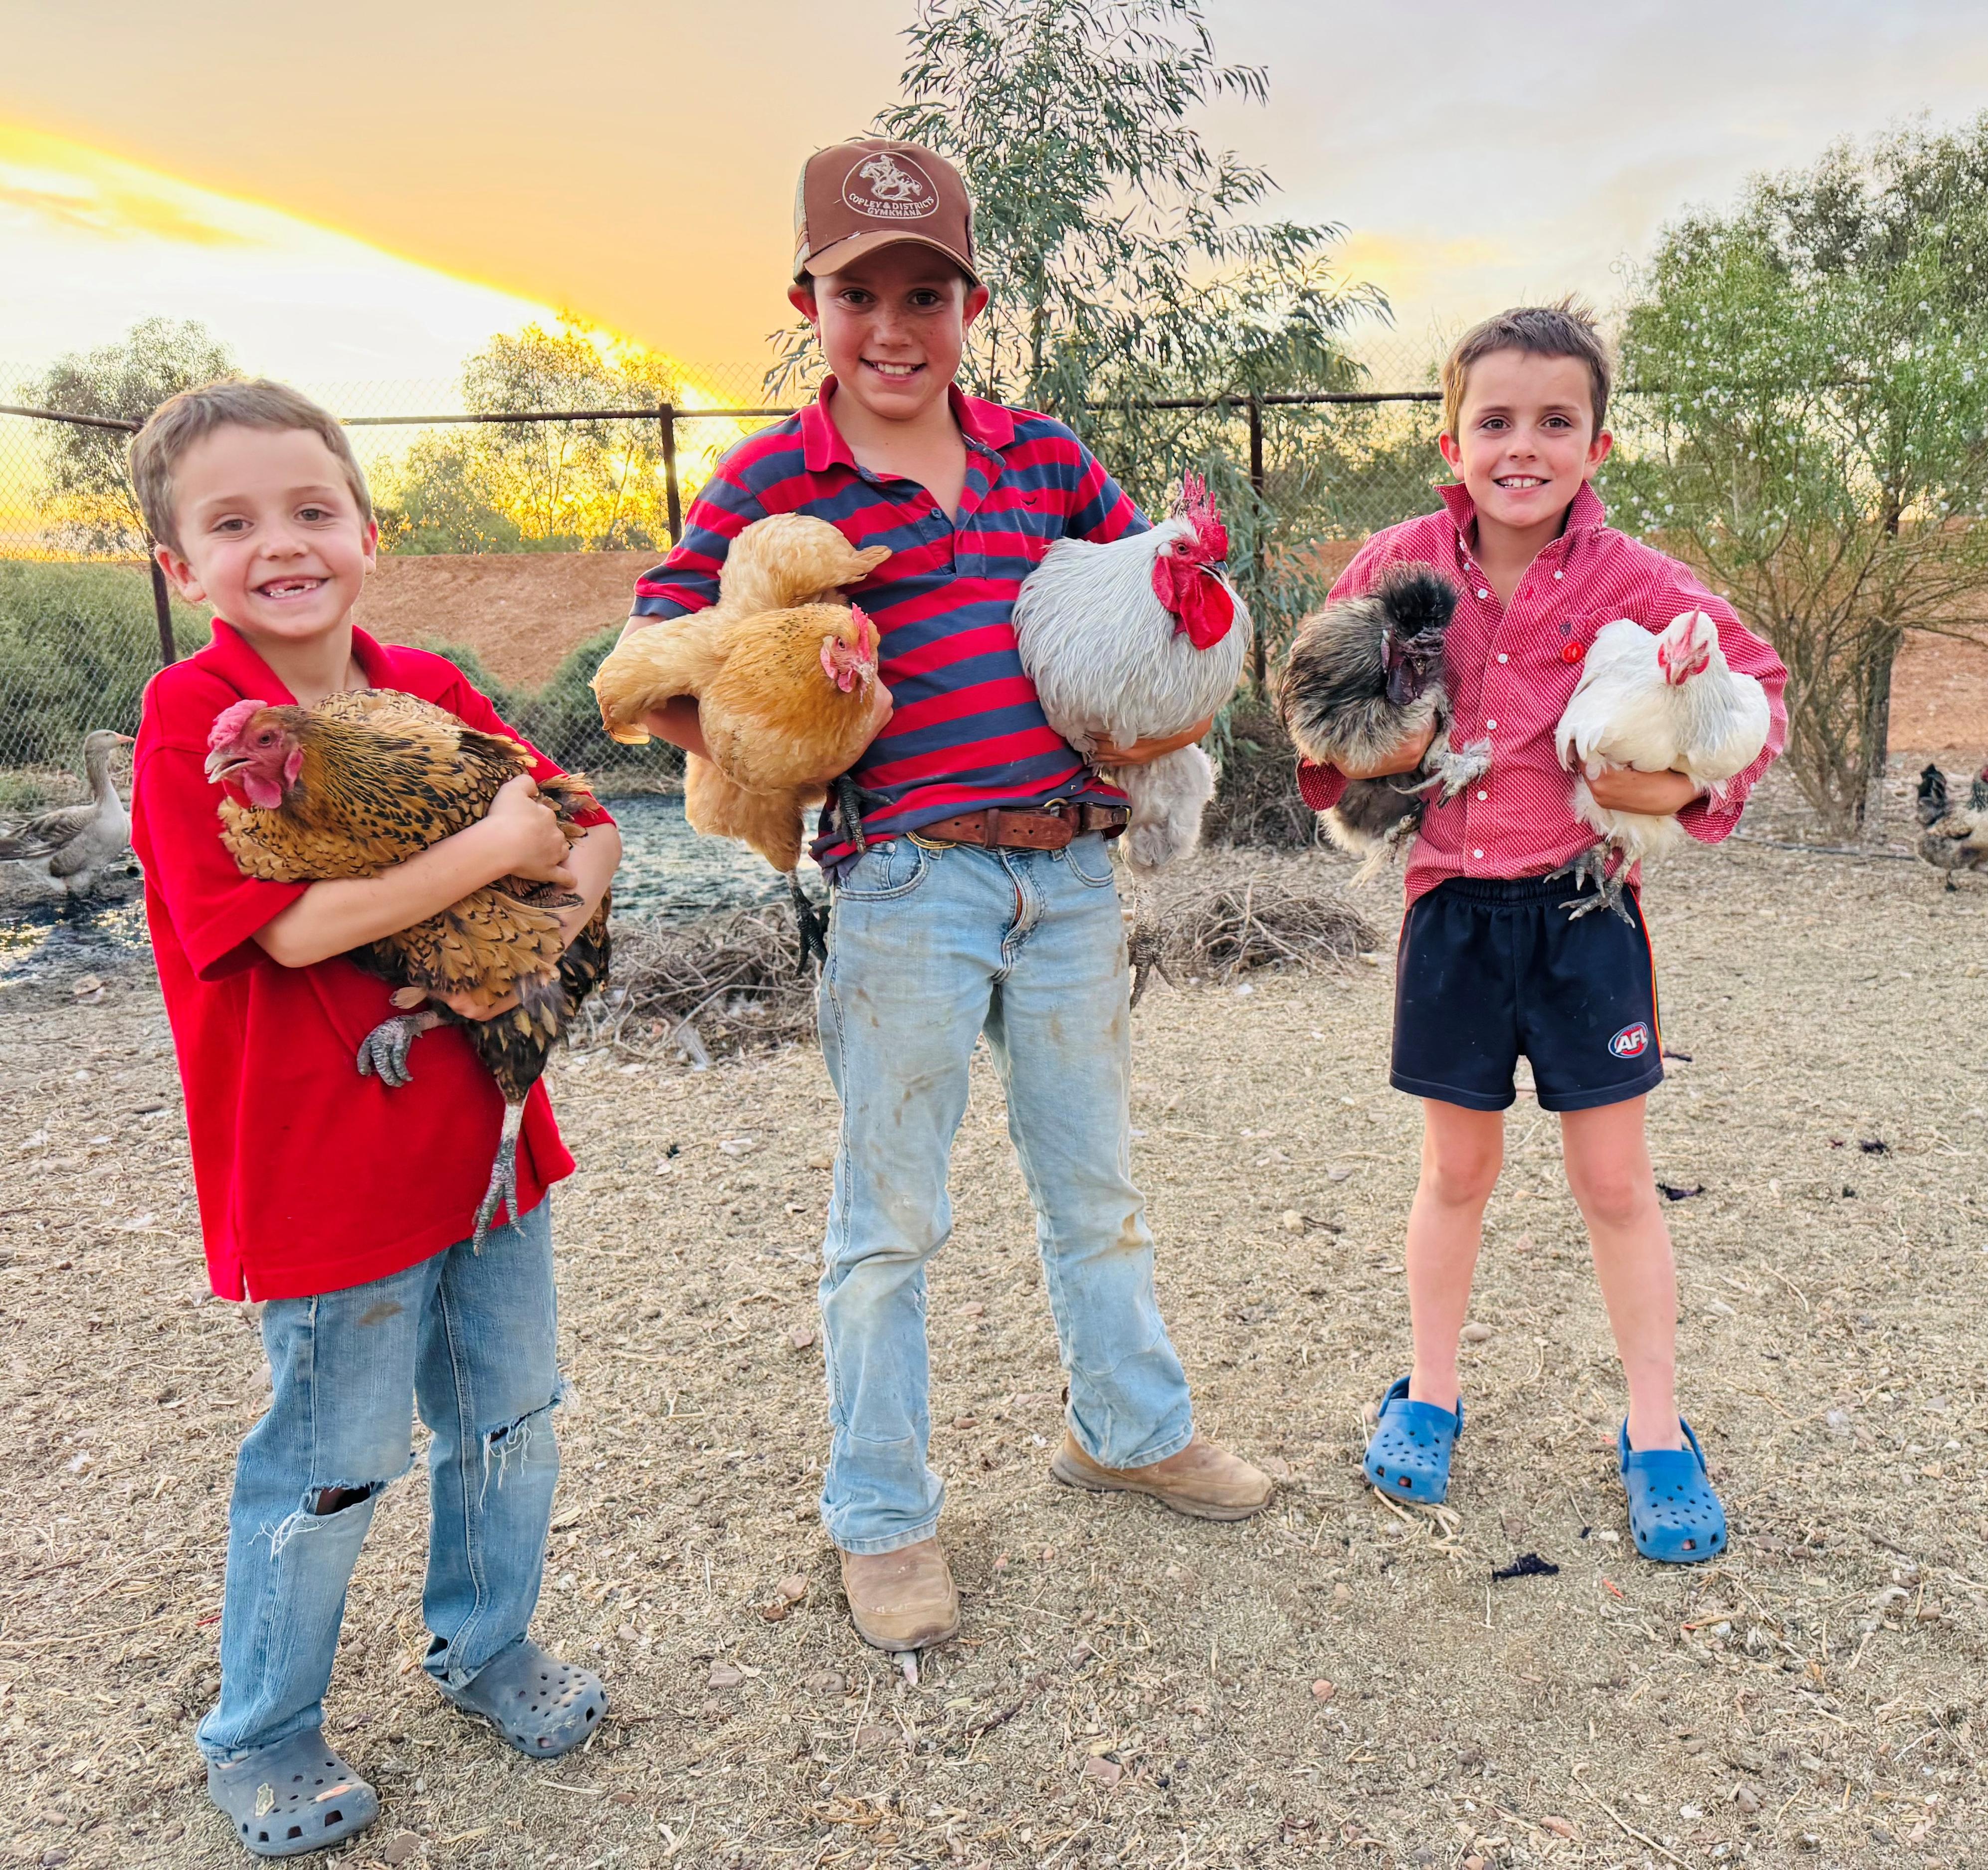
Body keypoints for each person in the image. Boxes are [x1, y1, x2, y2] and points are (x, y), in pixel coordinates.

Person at [623, 138, 1271, 1656]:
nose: (895, 326)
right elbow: (661, 646)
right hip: (905, 879)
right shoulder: (772, 479)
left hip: (1070, 865)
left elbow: (1135, 604)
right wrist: (761, 743)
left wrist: (1168, 697)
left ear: (972, 301)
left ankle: (1129, 1423)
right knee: (890, 1220)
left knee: (1093, 1192)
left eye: (928, 292)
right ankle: (883, 1512)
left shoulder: (1044, 457)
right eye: (862, 294)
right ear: (811, 299)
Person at [126, 379, 620, 1857]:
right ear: (179, 563)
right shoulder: (196, 715)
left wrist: (532, 930)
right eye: (232, 522)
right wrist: (496, 854)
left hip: (486, 1142)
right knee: (335, 1458)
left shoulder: (426, 680)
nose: (280, 543)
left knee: (510, 1417)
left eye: (309, 508)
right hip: (322, 1169)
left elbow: (580, 823)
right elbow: (287, 929)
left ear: (365, 528)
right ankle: (264, 1728)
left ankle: (487, 1642)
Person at [1295, 303, 1788, 1562]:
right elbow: (1314, 697)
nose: (1524, 446)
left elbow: (1759, 690)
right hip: (1450, 910)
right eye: (1495, 420)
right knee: (1455, 1173)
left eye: (1555, 422)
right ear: (1449, 439)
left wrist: (1686, 792)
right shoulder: (1397, 563)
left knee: (1615, 1184)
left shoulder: (1645, 586)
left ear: (1598, 445)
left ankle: (1658, 1431)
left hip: (1584, 911)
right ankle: (1432, 1394)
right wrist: (1366, 761)